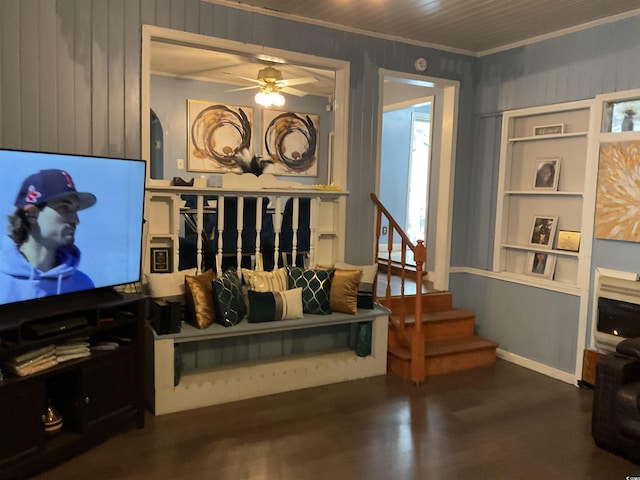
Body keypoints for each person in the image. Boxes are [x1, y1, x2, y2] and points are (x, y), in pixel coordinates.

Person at [0, 169, 97, 303]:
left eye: (76, 210)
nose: (75, 220)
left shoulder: (83, 284)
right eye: (64, 208)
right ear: (32, 214)